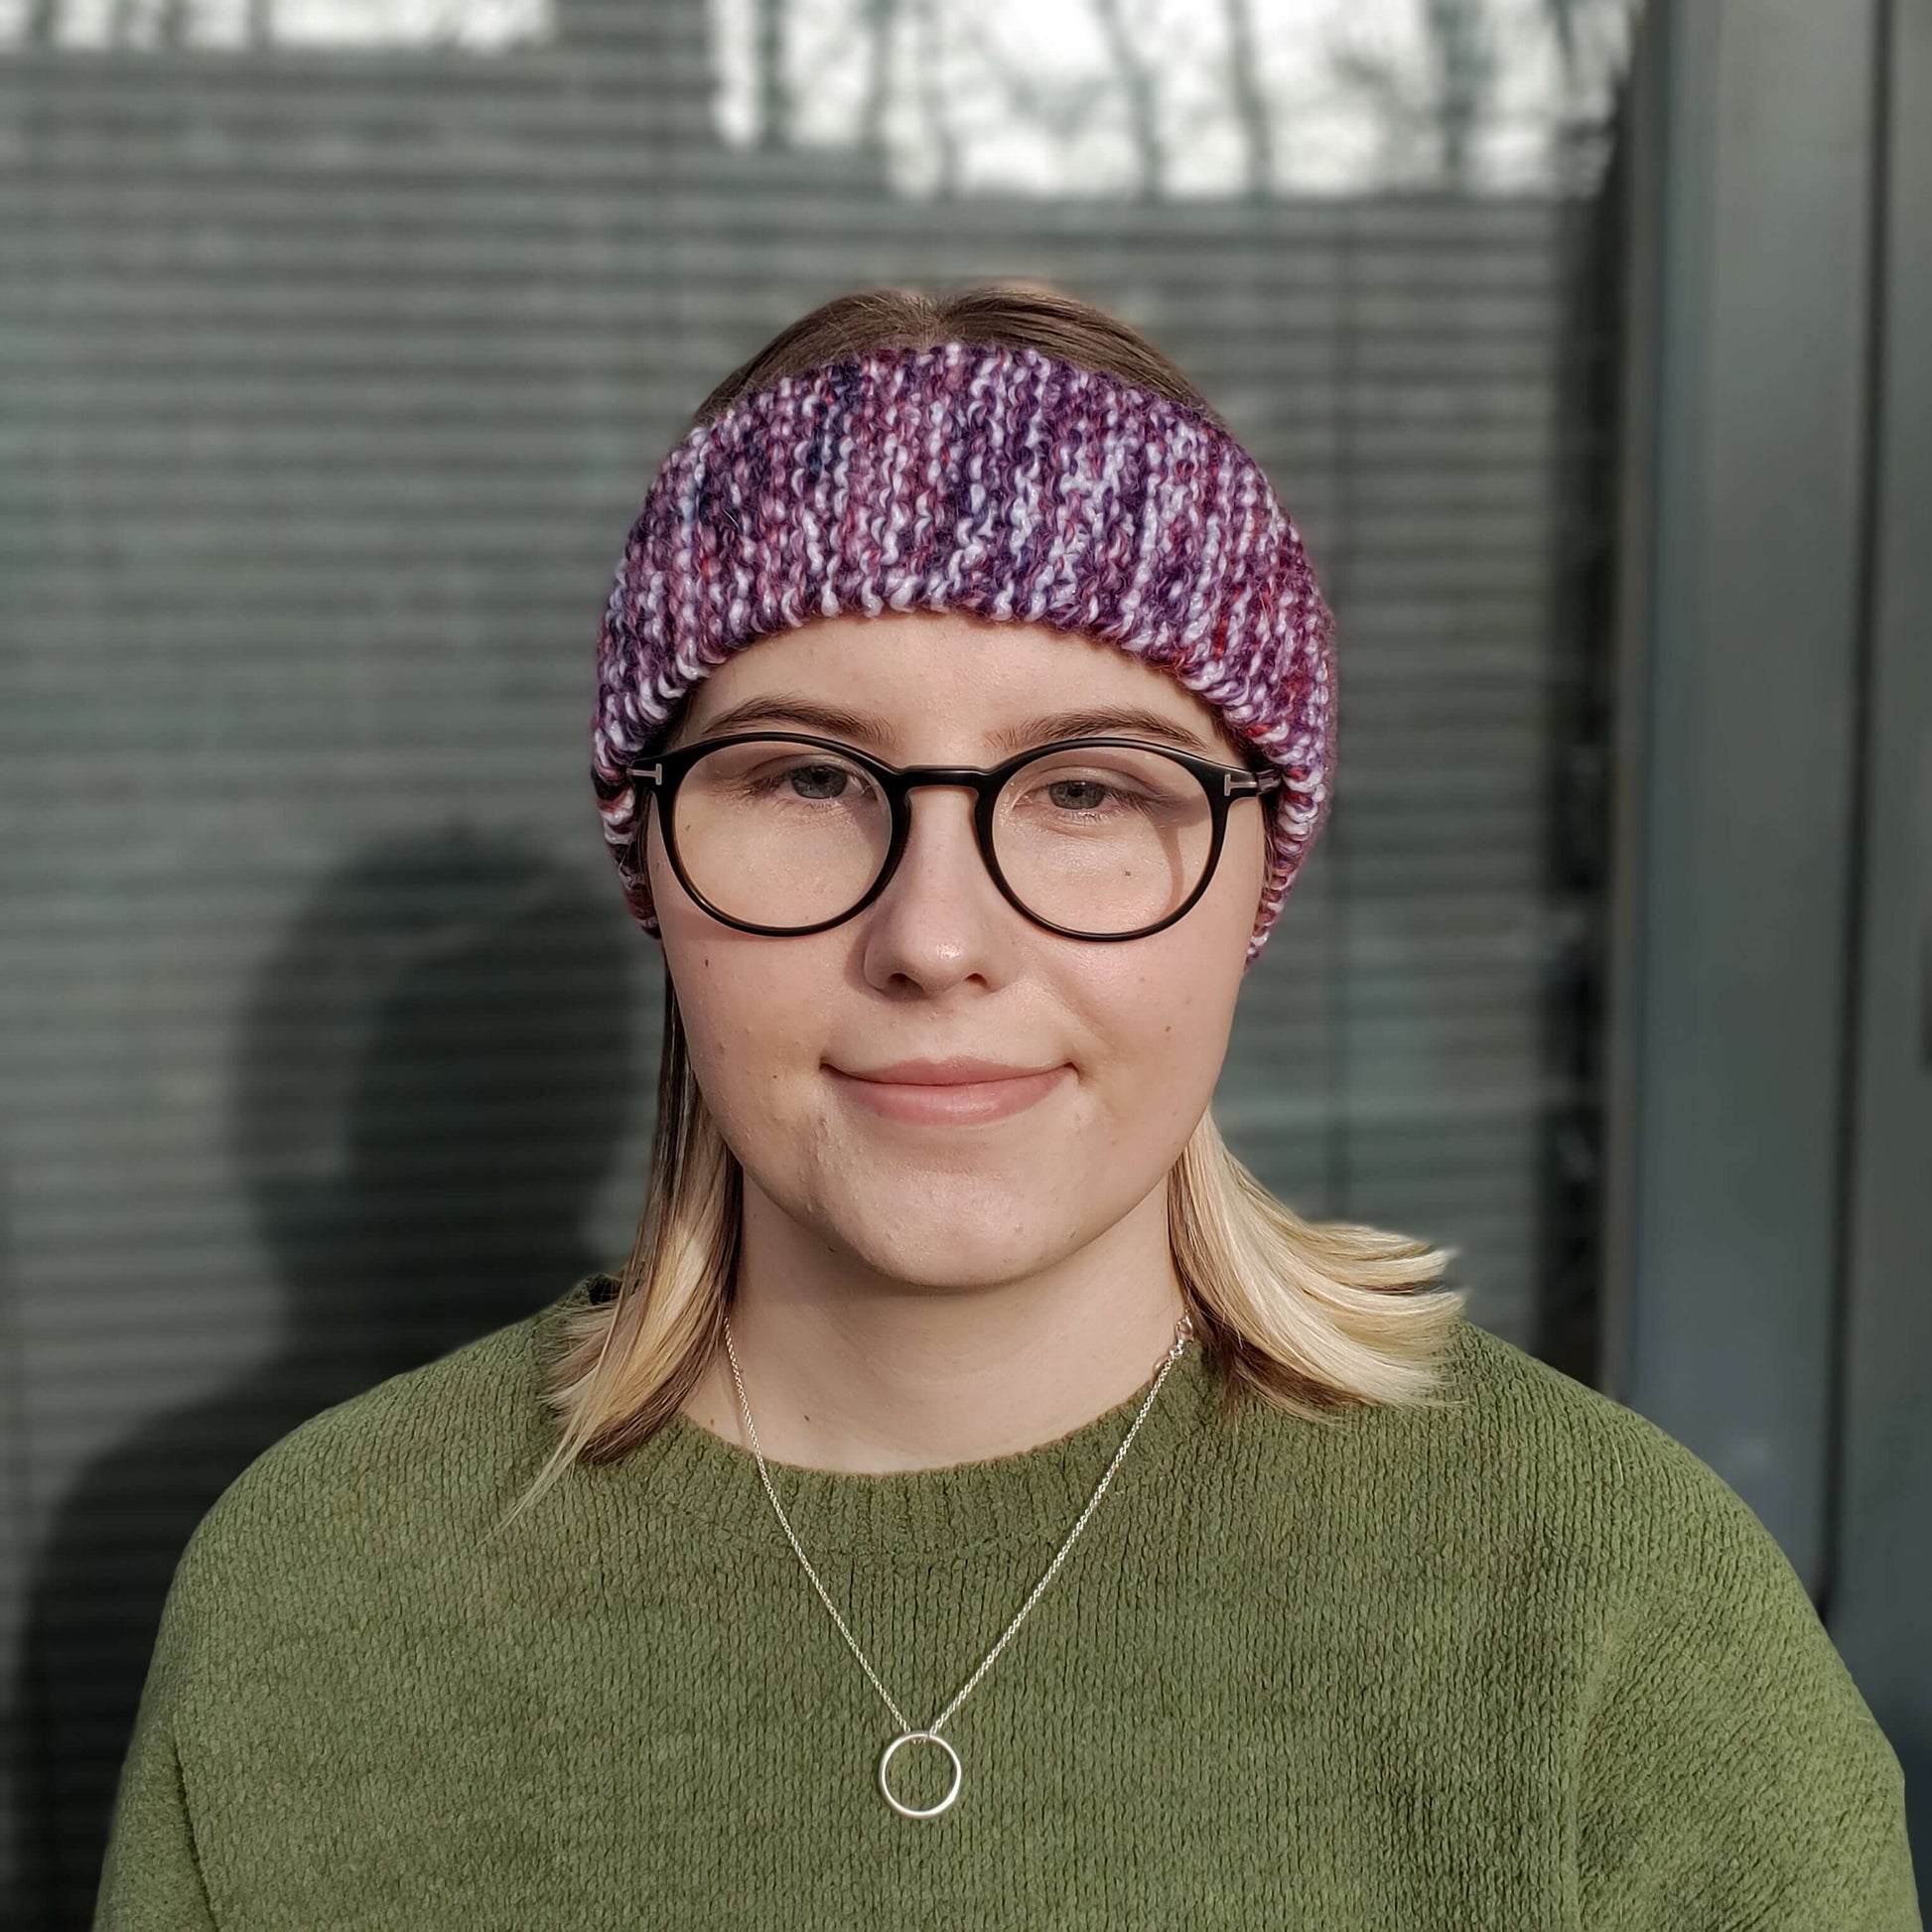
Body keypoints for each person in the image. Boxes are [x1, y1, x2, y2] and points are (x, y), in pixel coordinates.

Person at [93, 283, 1921, 1929]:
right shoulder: (321, 1601)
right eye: (809, 774)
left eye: (1086, 790)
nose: (936, 934)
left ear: (1249, 878)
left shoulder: (1613, 1614)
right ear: (648, 860)